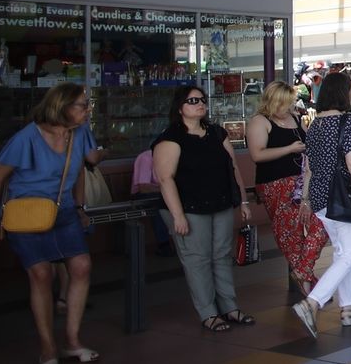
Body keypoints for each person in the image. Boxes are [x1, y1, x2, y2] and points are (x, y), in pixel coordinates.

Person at [0, 82, 100, 364]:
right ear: (63, 106)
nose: (88, 109)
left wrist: (80, 206)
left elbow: (79, 170)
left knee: (81, 266)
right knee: (41, 274)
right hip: (27, 212)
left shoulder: (80, 133)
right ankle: (47, 347)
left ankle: (72, 341)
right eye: (83, 105)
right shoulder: (27, 137)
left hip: (64, 210)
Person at [153, 84, 255, 332]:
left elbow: (232, 169)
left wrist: (242, 201)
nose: (199, 104)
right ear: (179, 108)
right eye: (192, 101)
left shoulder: (216, 133)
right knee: (197, 260)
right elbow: (165, 179)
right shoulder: (170, 138)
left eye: (202, 99)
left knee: (221, 256)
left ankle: (229, 307)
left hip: (219, 203)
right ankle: (208, 313)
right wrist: (178, 215)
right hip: (189, 208)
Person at [292, 72, 351, 338]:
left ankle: (348, 307)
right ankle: (312, 302)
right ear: (341, 93)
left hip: (320, 197)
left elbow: (310, 168)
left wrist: (305, 197)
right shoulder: (346, 123)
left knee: (341, 251)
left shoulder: (314, 125)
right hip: (345, 196)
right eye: (349, 89)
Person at [247, 80, 327, 296]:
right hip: (276, 183)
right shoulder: (260, 121)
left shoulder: (295, 118)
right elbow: (257, 154)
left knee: (321, 223)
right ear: (274, 102)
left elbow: (308, 142)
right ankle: (309, 284)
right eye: (286, 104)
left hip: (303, 181)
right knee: (290, 234)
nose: (290, 108)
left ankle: (302, 271)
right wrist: (289, 149)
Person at [130, 147, 174, 257]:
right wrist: (166, 188)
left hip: (163, 192)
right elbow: (143, 187)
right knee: (159, 202)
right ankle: (163, 244)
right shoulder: (146, 157)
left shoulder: (174, 157)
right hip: (142, 195)